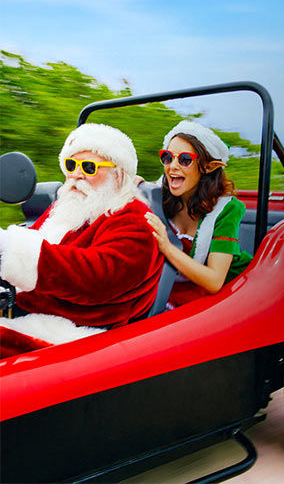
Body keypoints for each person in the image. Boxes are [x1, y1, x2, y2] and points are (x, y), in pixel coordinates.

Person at [0, 123, 164, 347]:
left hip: (74, 334)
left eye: (89, 167)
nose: (76, 174)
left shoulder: (136, 220)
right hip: (24, 307)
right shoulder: (72, 203)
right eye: (71, 164)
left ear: (118, 175)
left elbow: (97, 278)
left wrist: (8, 247)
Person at [145, 120, 252, 308]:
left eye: (185, 159)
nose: (173, 166)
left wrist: (167, 247)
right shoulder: (158, 193)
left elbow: (214, 282)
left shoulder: (226, 208)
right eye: (168, 157)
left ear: (208, 166)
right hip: (173, 287)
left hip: (232, 294)